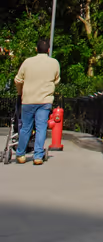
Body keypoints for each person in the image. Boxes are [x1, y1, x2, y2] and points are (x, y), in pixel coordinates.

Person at [14, 37, 60, 165]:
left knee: (25, 128)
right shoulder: (54, 63)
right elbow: (56, 80)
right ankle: (38, 156)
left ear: (36, 49)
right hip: (45, 100)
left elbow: (18, 80)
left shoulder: (27, 62)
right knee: (41, 128)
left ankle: (21, 154)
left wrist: (20, 91)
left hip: (28, 99)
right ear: (49, 50)